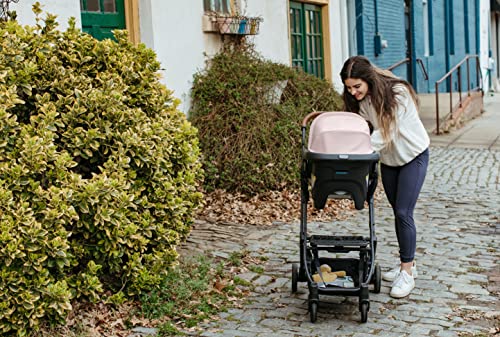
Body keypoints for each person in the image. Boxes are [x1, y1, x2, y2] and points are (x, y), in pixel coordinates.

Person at [340, 55, 430, 298]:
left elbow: (387, 131)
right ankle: (408, 263)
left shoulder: (398, 93)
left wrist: (355, 150)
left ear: (368, 79)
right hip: (390, 161)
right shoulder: (362, 101)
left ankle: (407, 274)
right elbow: (360, 128)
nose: (353, 92)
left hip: (413, 156)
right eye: (349, 87)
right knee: (398, 212)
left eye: (357, 86)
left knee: (403, 212)